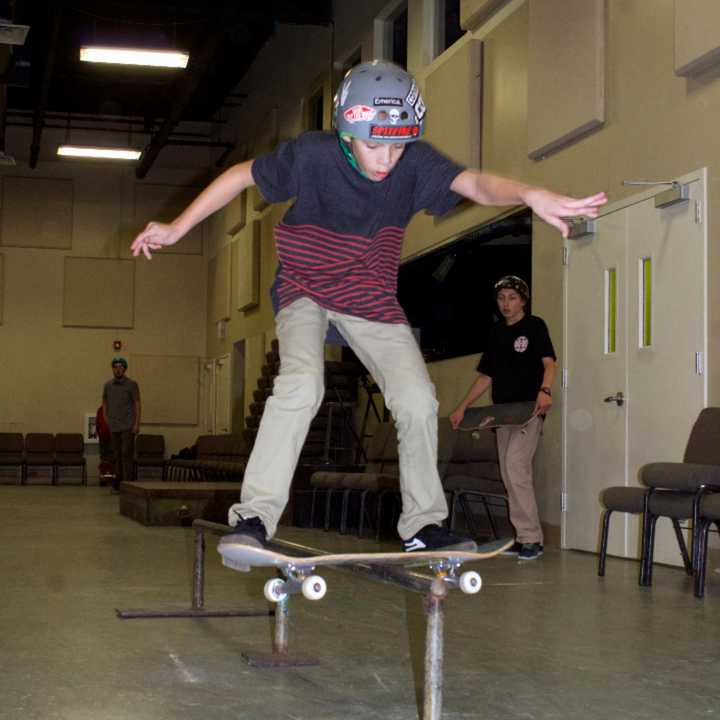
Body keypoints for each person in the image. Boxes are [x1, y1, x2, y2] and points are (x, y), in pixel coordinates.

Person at [131, 60, 605, 555]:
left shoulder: (416, 163)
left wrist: (530, 193)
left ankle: (422, 525)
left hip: (371, 297)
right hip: (304, 288)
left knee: (418, 400)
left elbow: (477, 185)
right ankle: (253, 517)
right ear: (347, 133)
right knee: (301, 385)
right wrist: (176, 227)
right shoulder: (312, 154)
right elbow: (239, 175)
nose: (385, 160)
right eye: (373, 145)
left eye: (396, 146)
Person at [449, 276, 555, 560]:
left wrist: (545, 391)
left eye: (512, 297)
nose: (506, 304)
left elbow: (549, 363)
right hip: (502, 413)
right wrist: (463, 406)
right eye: (501, 298)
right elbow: (487, 375)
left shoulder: (535, 326)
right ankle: (522, 538)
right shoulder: (497, 332)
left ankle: (532, 538)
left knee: (516, 466)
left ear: (522, 300)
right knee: (509, 474)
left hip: (528, 410)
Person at [102, 357, 141, 492]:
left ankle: (128, 485)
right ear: (112, 369)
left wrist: (136, 424)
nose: (117, 369)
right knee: (116, 456)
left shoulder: (132, 384)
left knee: (126, 454)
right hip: (114, 426)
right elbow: (105, 402)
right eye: (115, 367)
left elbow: (137, 403)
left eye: (120, 367)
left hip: (128, 426)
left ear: (124, 369)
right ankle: (117, 485)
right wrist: (106, 418)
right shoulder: (108, 385)